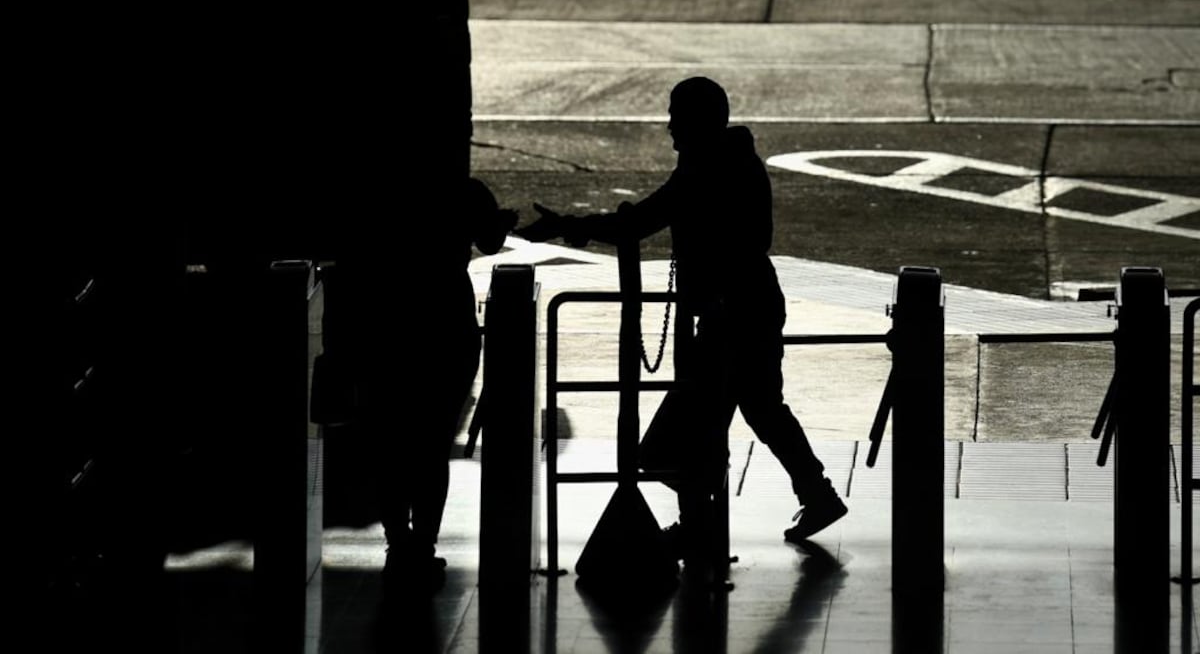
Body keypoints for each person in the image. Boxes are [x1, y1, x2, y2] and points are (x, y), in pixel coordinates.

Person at [516, 76, 847, 562]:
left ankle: (705, 524)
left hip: (725, 319)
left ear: (698, 121)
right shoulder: (734, 162)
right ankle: (805, 496)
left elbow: (641, 221)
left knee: (686, 434)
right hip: (753, 308)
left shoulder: (703, 170)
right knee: (758, 408)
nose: (669, 125)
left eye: (676, 115)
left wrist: (571, 225)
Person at [338, 176, 517, 594]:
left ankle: (397, 539)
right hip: (447, 320)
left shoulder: (380, 192)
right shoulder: (465, 191)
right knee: (433, 444)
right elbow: (490, 243)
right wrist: (503, 221)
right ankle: (423, 542)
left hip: (387, 320)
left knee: (391, 439)